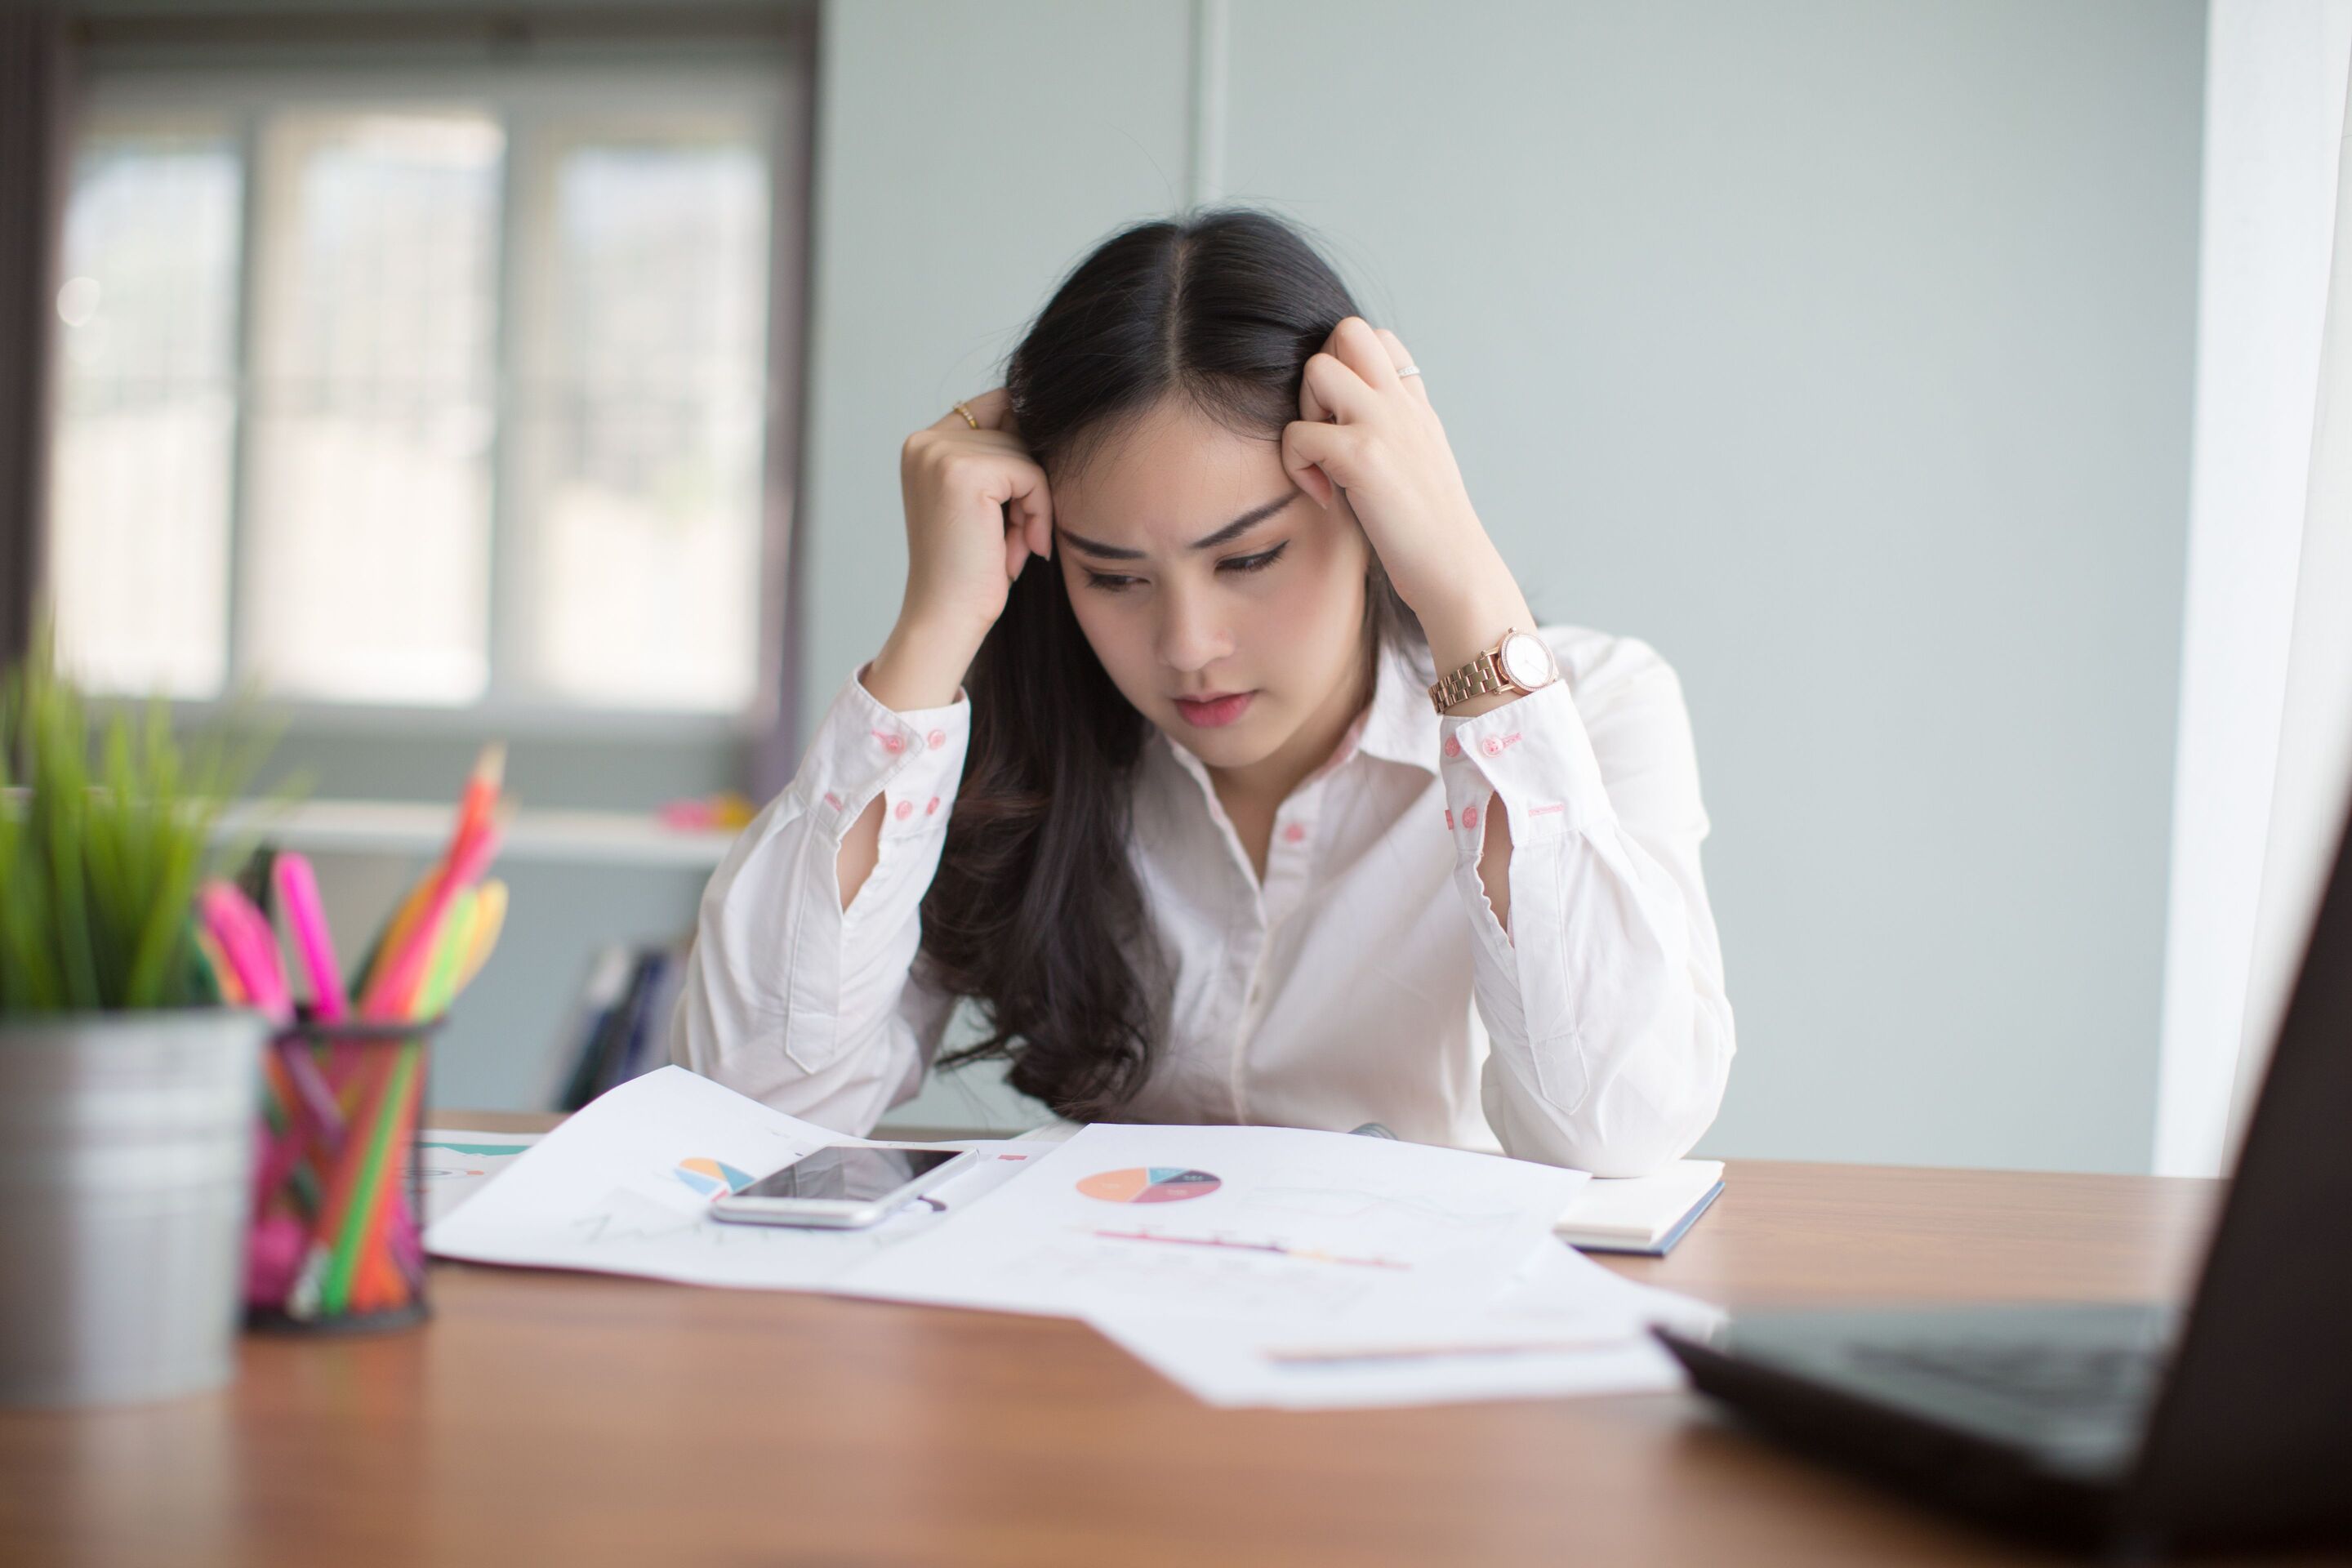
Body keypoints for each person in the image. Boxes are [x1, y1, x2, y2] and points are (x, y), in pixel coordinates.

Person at [670, 207, 1733, 1175]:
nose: (1187, 647)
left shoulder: (1597, 709)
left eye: (1249, 559)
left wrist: (1462, 579)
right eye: (1114, 577)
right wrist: (931, 631)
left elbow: (1616, 1131)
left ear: (1370, 503)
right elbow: (750, 1110)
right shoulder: (1009, 736)